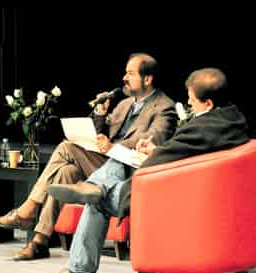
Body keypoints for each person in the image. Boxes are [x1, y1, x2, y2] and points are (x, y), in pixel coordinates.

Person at [48, 67, 250, 273]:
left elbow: (174, 153)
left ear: (208, 103)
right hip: (189, 186)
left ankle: (78, 267)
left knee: (98, 200)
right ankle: (96, 185)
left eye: (192, 99)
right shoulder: (233, 122)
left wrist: (149, 157)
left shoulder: (201, 126)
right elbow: (181, 151)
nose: (188, 103)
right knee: (118, 161)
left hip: (166, 195)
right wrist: (155, 151)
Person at [0, 53, 178, 261]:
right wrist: (101, 114)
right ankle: (40, 242)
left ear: (147, 79)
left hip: (126, 169)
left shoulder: (164, 107)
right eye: (125, 72)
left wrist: (112, 146)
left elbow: (151, 140)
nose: (124, 77)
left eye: (130, 74)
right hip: (104, 162)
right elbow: (100, 135)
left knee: (66, 147)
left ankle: (28, 209)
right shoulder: (124, 104)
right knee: (66, 171)